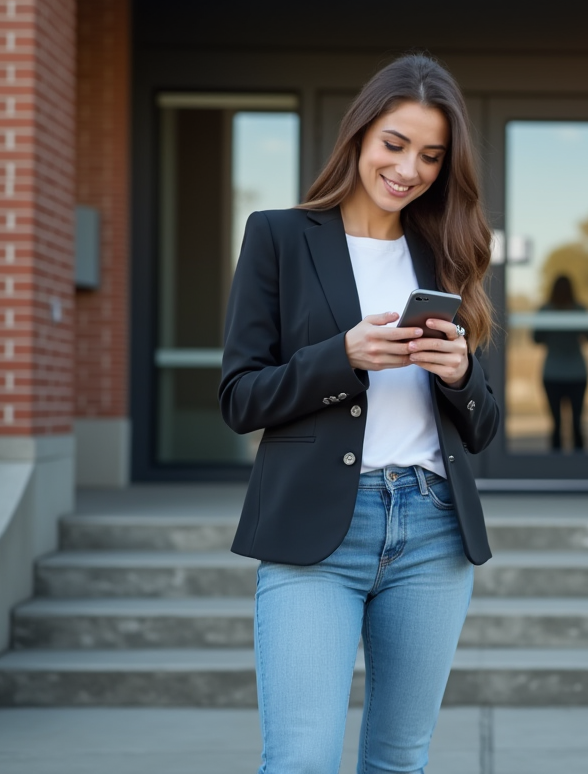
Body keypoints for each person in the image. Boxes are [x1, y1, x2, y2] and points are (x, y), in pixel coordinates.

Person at [218, 54, 499, 774]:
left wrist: (462, 375)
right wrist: (340, 357)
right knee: (301, 760)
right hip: (317, 532)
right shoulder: (280, 236)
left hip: (433, 528)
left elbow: (483, 424)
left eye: (432, 157)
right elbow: (240, 397)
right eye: (396, 145)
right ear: (360, 135)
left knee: (399, 760)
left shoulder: (445, 253)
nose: (410, 170)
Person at [533, 274, 588, 451]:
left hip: (553, 372)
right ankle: (580, 466)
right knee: (577, 423)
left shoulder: (545, 310)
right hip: (577, 372)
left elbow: (536, 338)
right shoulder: (580, 310)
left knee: (556, 424)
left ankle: (556, 465)